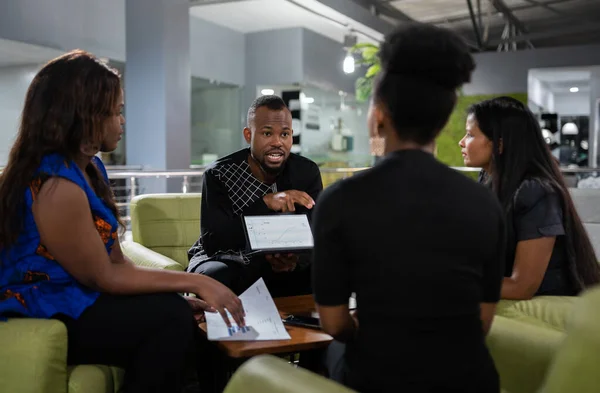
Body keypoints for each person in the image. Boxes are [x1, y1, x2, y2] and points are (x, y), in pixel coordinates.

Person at [0, 50, 244, 393]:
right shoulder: (55, 186)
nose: (122, 121)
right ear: (84, 116)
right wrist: (200, 283)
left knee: (175, 312)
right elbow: (104, 276)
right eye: (116, 112)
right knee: (169, 320)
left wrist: (177, 295)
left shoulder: (91, 168)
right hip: (46, 307)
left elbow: (116, 260)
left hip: (78, 295)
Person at [312, 23, 505, 393]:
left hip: (381, 378)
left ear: (379, 114)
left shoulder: (339, 200)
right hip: (471, 381)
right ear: (446, 120)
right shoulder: (484, 203)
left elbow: (334, 324)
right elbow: (482, 321)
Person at [459, 96, 600, 299]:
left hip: (547, 303)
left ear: (499, 145)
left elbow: (521, 287)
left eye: (470, 135)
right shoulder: (489, 180)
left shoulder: (535, 192)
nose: (461, 142)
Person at [187, 95, 323, 297]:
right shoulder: (219, 174)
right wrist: (265, 203)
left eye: (284, 134)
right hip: (225, 259)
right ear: (249, 135)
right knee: (216, 277)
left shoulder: (306, 172)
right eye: (267, 133)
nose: (277, 142)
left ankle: (311, 326)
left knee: (323, 269)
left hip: (281, 263)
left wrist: (295, 260)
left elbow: (317, 232)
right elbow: (214, 241)